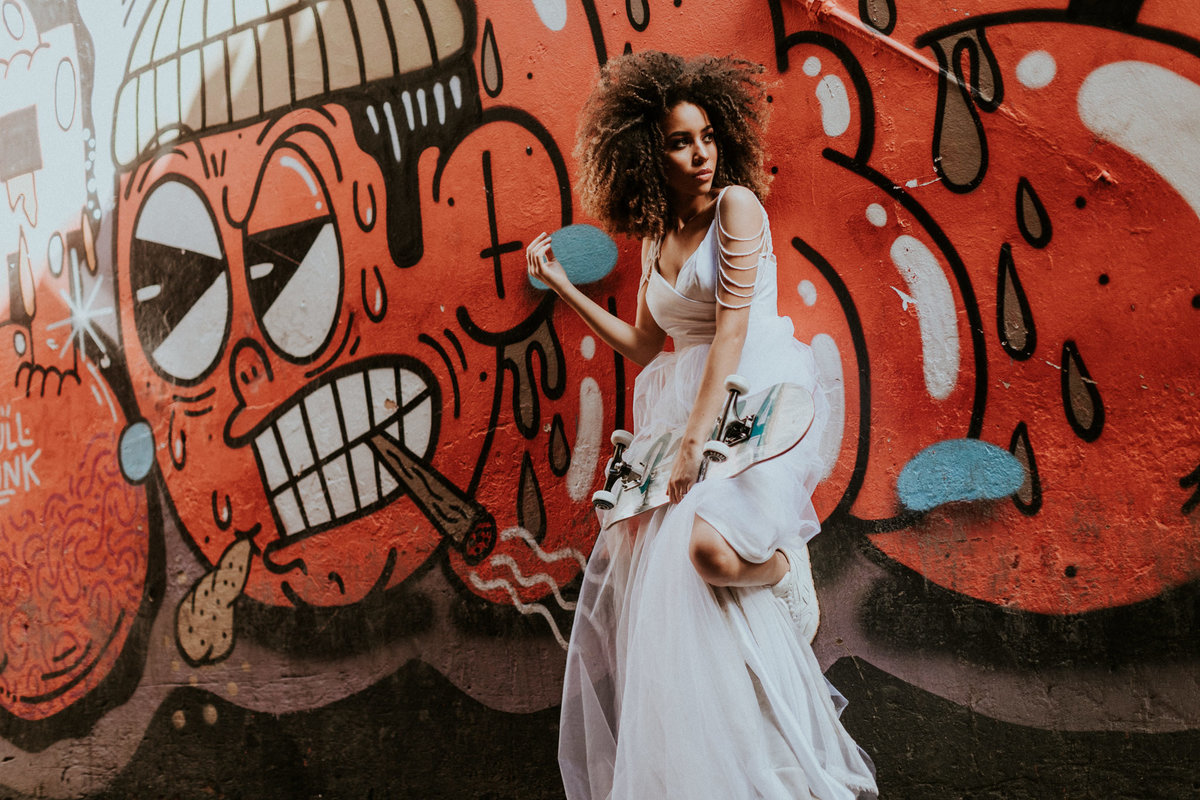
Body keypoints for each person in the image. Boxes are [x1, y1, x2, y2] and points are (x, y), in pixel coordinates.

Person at [526, 51, 877, 800]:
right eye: (683, 142)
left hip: (752, 400)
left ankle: (784, 570)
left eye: (709, 135)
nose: (703, 153)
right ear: (649, 159)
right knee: (664, 600)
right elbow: (644, 345)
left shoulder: (736, 211)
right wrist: (562, 288)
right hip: (680, 408)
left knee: (712, 557)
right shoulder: (656, 240)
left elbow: (727, 333)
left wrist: (694, 440)